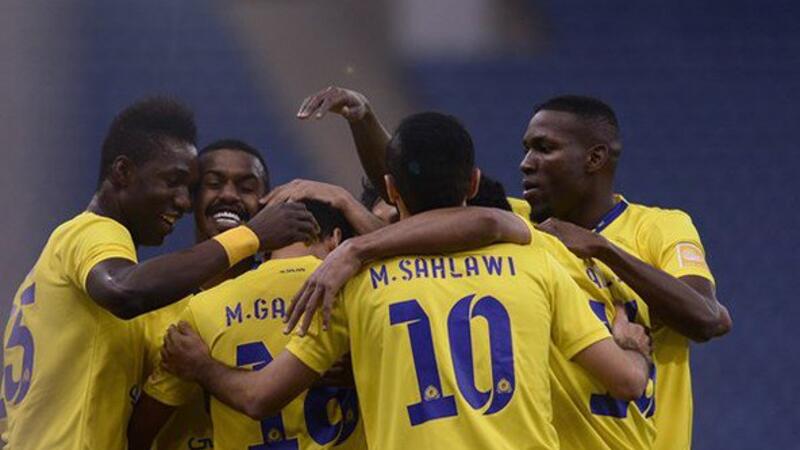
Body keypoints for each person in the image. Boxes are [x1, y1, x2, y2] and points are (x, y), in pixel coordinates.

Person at [159, 112, 652, 450]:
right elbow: (628, 382)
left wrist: (203, 367)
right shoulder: (535, 258)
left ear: (391, 189)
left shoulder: (356, 280)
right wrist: (632, 345)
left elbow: (259, 397)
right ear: (473, 183)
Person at [295, 87, 732, 449]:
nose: (526, 162)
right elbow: (422, 185)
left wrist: (603, 249)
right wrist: (364, 121)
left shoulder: (659, 227)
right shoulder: (522, 228)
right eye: (526, 150)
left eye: (545, 148)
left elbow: (708, 318)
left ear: (595, 158)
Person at [0, 97, 319, 449]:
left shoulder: (129, 288)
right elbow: (123, 291)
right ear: (123, 172)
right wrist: (251, 236)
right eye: (174, 181)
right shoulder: (94, 233)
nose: (183, 201)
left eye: (187, 188)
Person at [129, 200, 367, 450]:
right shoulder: (357, 292)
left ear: (264, 249)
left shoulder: (203, 307)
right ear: (336, 239)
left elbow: (142, 428)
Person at [137, 138, 273, 449]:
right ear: (192, 199)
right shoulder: (153, 299)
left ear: (267, 204)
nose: (229, 195)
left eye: (246, 187)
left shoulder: (287, 296)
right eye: (213, 183)